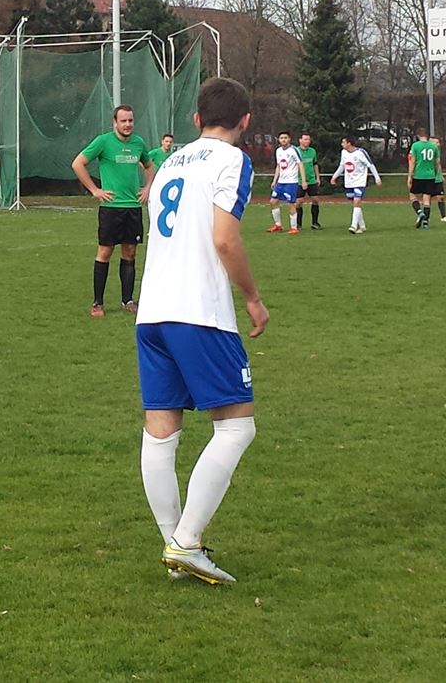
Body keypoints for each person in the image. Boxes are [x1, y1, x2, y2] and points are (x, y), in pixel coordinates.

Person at [136, 76, 268, 585]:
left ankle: (175, 546)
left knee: (160, 430)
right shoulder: (232, 160)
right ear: (245, 121)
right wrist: (252, 297)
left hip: (152, 312)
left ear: (196, 119)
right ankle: (187, 542)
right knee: (237, 426)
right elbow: (224, 239)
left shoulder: (170, 162)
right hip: (199, 312)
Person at [72, 105, 154, 315]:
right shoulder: (103, 141)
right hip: (111, 208)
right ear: (114, 123)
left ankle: (128, 301)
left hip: (133, 207)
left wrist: (147, 188)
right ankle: (97, 303)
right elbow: (78, 164)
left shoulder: (138, 143)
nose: (127, 125)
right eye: (123, 121)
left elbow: (149, 166)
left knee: (130, 252)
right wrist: (94, 190)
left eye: (130, 121)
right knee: (105, 252)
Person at [329, 134, 381, 233]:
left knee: (357, 202)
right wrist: (334, 177)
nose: (342, 144)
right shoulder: (344, 152)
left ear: (349, 143)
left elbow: (370, 165)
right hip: (349, 182)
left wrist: (377, 178)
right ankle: (362, 226)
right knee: (354, 203)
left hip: (359, 182)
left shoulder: (361, 153)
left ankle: (353, 226)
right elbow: (342, 166)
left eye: (343, 142)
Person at [267, 131, 306, 234]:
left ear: (289, 139)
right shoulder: (278, 151)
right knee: (273, 202)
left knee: (291, 204)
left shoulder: (294, 150)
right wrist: (274, 180)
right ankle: (278, 225)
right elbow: (278, 166)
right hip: (281, 182)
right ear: (279, 140)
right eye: (281, 138)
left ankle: (294, 228)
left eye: (285, 138)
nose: (283, 140)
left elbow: (300, 164)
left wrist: (303, 180)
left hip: (291, 182)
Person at [406, 130, 443, 229]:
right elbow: (437, 162)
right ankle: (426, 222)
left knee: (412, 195)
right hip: (430, 175)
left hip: (418, 175)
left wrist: (410, 176)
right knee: (426, 199)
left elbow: (413, 161)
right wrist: (436, 173)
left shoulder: (415, 146)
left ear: (418, 136)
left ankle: (419, 212)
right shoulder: (434, 146)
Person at [294, 132, 323, 231]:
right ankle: (298, 224)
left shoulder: (312, 151)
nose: (307, 141)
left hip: (311, 180)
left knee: (315, 200)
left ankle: (315, 223)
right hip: (299, 180)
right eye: (305, 139)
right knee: (299, 202)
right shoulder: (295, 151)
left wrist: (317, 177)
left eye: (308, 139)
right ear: (300, 140)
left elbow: (315, 164)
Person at [431, 135, 446, 222]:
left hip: (437, 178)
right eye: (435, 142)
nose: (438, 144)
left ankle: (443, 217)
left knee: (441, 197)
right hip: (429, 178)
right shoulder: (428, 153)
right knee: (427, 197)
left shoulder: (438, 152)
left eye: (438, 142)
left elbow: (438, 164)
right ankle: (426, 217)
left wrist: (441, 175)